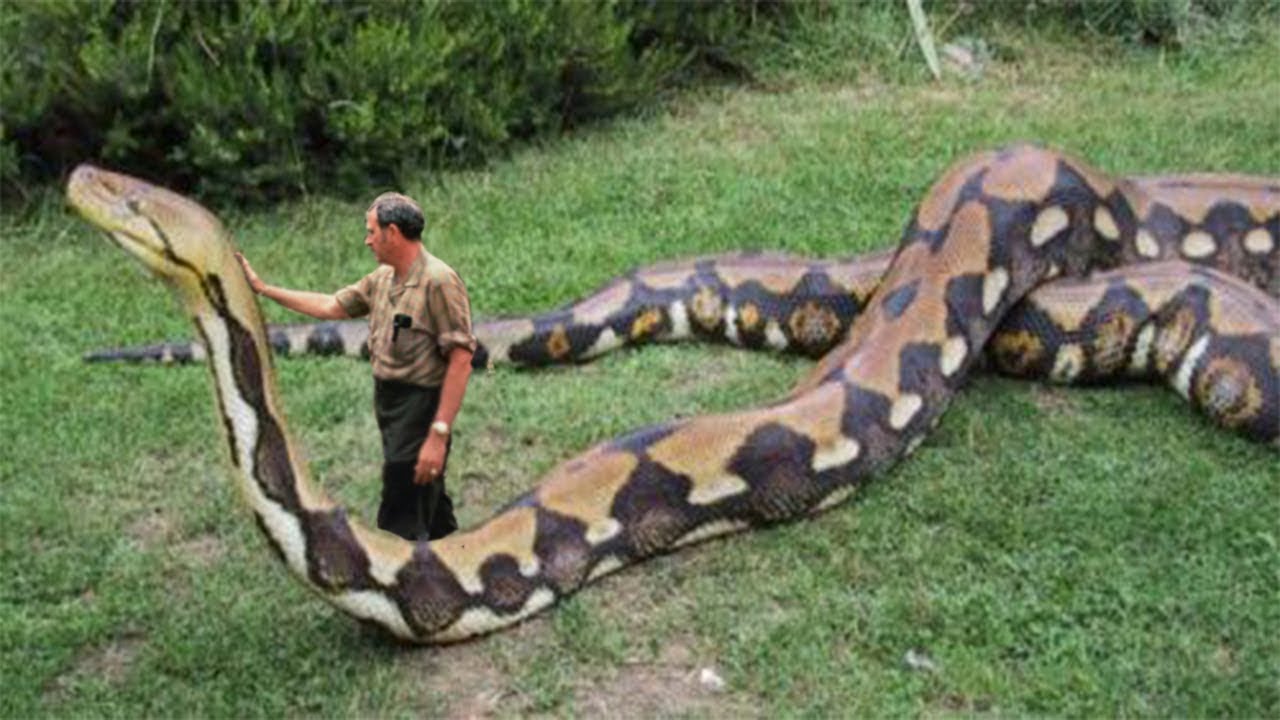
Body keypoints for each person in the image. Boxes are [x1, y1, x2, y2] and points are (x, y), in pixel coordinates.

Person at [235, 192, 475, 541]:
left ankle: (411, 577)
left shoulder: (439, 282)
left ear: (392, 233)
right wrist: (264, 289)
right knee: (424, 490)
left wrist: (438, 433)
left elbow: (461, 358)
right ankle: (448, 555)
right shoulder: (381, 279)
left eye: (371, 232)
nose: (367, 240)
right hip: (389, 399)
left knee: (402, 500)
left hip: (421, 402)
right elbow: (332, 306)